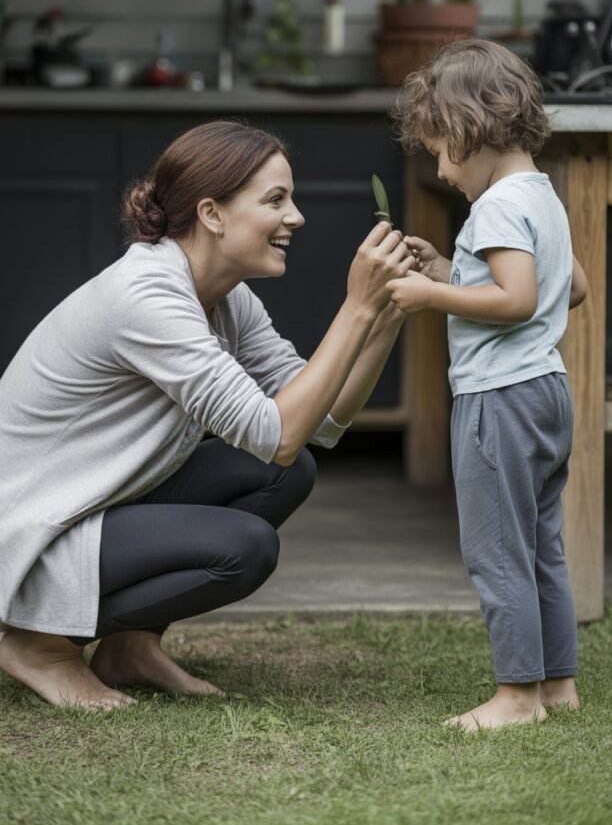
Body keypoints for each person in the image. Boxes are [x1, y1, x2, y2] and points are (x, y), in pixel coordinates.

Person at [0, 120, 414, 711]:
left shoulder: (224, 296)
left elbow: (320, 421)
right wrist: (356, 305)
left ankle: (128, 645)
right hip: (37, 531)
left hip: (97, 501)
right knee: (243, 546)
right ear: (213, 214)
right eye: (275, 200)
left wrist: (386, 313)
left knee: (284, 475)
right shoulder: (148, 298)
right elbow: (280, 433)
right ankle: (37, 643)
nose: (295, 217)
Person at [387, 39, 588, 732]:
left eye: (441, 151)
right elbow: (573, 288)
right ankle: (558, 685)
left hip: (498, 398)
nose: (441, 170)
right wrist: (449, 269)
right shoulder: (542, 197)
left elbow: (518, 300)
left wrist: (426, 294)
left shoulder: (497, 207)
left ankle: (517, 697)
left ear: (473, 129)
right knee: (540, 545)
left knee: (497, 547)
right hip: (547, 395)